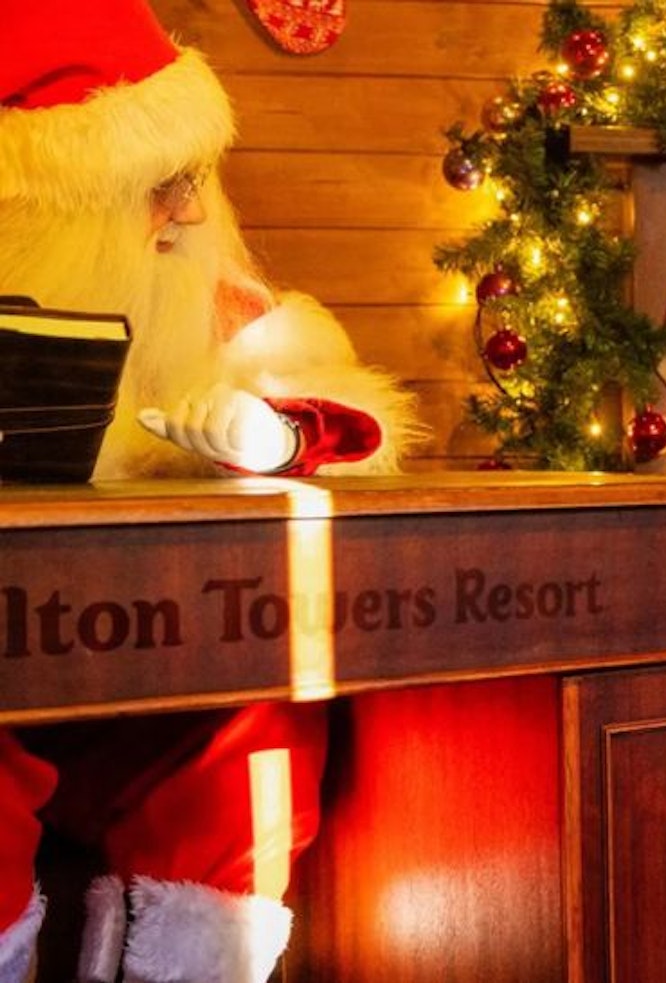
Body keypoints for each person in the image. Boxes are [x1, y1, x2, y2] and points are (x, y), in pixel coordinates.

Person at [0, 1, 422, 980]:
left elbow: (351, 422)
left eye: (192, 177)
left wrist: (280, 435)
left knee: (259, 693)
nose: (191, 210)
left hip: (141, 673)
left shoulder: (209, 296)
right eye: (160, 186)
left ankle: (185, 963)